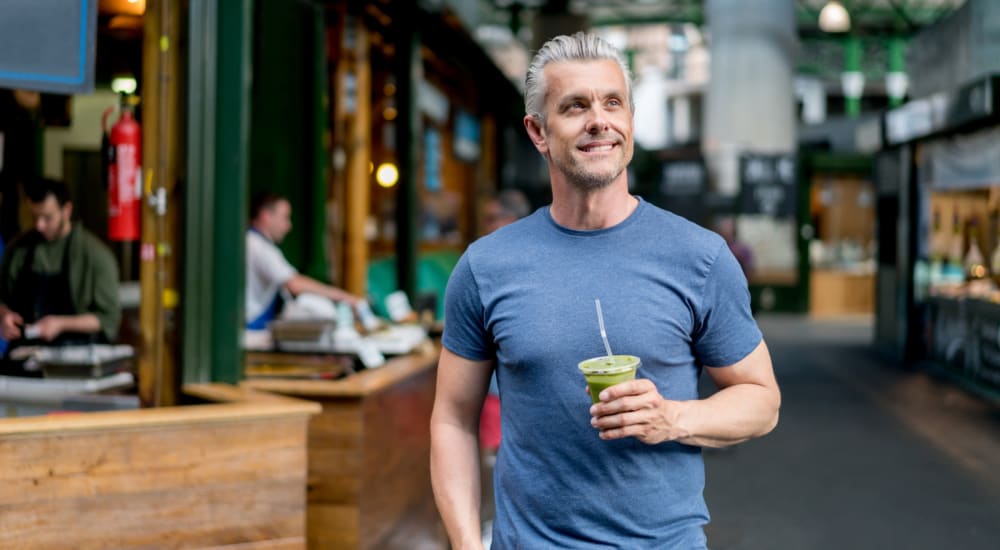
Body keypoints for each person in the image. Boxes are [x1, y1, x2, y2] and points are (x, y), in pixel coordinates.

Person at [430, 32, 780, 549]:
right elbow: (453, 419)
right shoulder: (487, 266)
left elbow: (761, 400)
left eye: (613, 102)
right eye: (575, 106)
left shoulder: (699, 257)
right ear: (538, 131)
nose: (600, 120)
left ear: (631, 122)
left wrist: (673, 417)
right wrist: (464, 543)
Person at [0, 178, 121, 370]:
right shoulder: (18, 250)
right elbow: (3, 299)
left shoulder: (96, 256)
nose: (39, 225)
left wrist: (61, 324)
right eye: (34, 217)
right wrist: (4, 316)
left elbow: (107, 318)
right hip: (22, 361)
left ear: (67, 210)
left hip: (75, 363)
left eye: (47, 218)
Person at [245, 192, 360, 329]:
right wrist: (346, 298)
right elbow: (294, 284)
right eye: (284, 218)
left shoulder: (256, 242)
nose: (288, 226)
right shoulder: (257, 244)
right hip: (249, 327)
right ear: (266, 216)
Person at [477, 188, 531, 453]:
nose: (485, 225)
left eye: (490, 218)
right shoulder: (485, 259)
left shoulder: (510, 262)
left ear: (508, 219)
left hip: (511, 387)